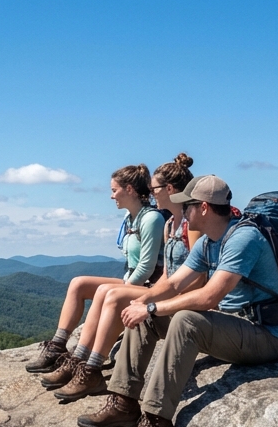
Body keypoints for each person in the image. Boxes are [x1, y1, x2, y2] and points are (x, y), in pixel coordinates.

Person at [76, 175, 278, 427]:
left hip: (264, 335)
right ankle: (124, 402)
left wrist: (152, 307)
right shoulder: (209, 242)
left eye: (186, 206)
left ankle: (156, 422)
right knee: (146, 316)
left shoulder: (243, 238)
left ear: (203, 208)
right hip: (231, 329)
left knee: (185, 319)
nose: (181, 213)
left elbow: (209, 297)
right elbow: (174, 283)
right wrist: (143, 300)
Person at [42, 155, 205, 402]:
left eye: (153, 189)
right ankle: (78, 361)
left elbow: (197, 275)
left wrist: (149, 298)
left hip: (182, 297)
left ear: (169, 189)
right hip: (166, 289)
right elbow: (168, 275)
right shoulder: (170, 223)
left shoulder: (186, 224)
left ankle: (91, 369)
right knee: (100, 290)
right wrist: (152, 295)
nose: (150, 193)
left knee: (114, 294)